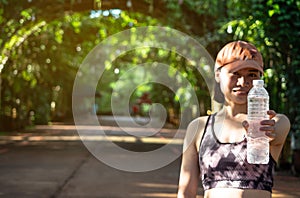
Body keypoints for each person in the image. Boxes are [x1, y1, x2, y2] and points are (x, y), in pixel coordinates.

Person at [177, 40, 290, 198]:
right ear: (218, 74)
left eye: (252, 75)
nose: (243, 82)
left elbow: (275, 132)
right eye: (235, 74)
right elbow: (186, 192)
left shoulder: (276, 121)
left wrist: (266, 132)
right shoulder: (198, 128)